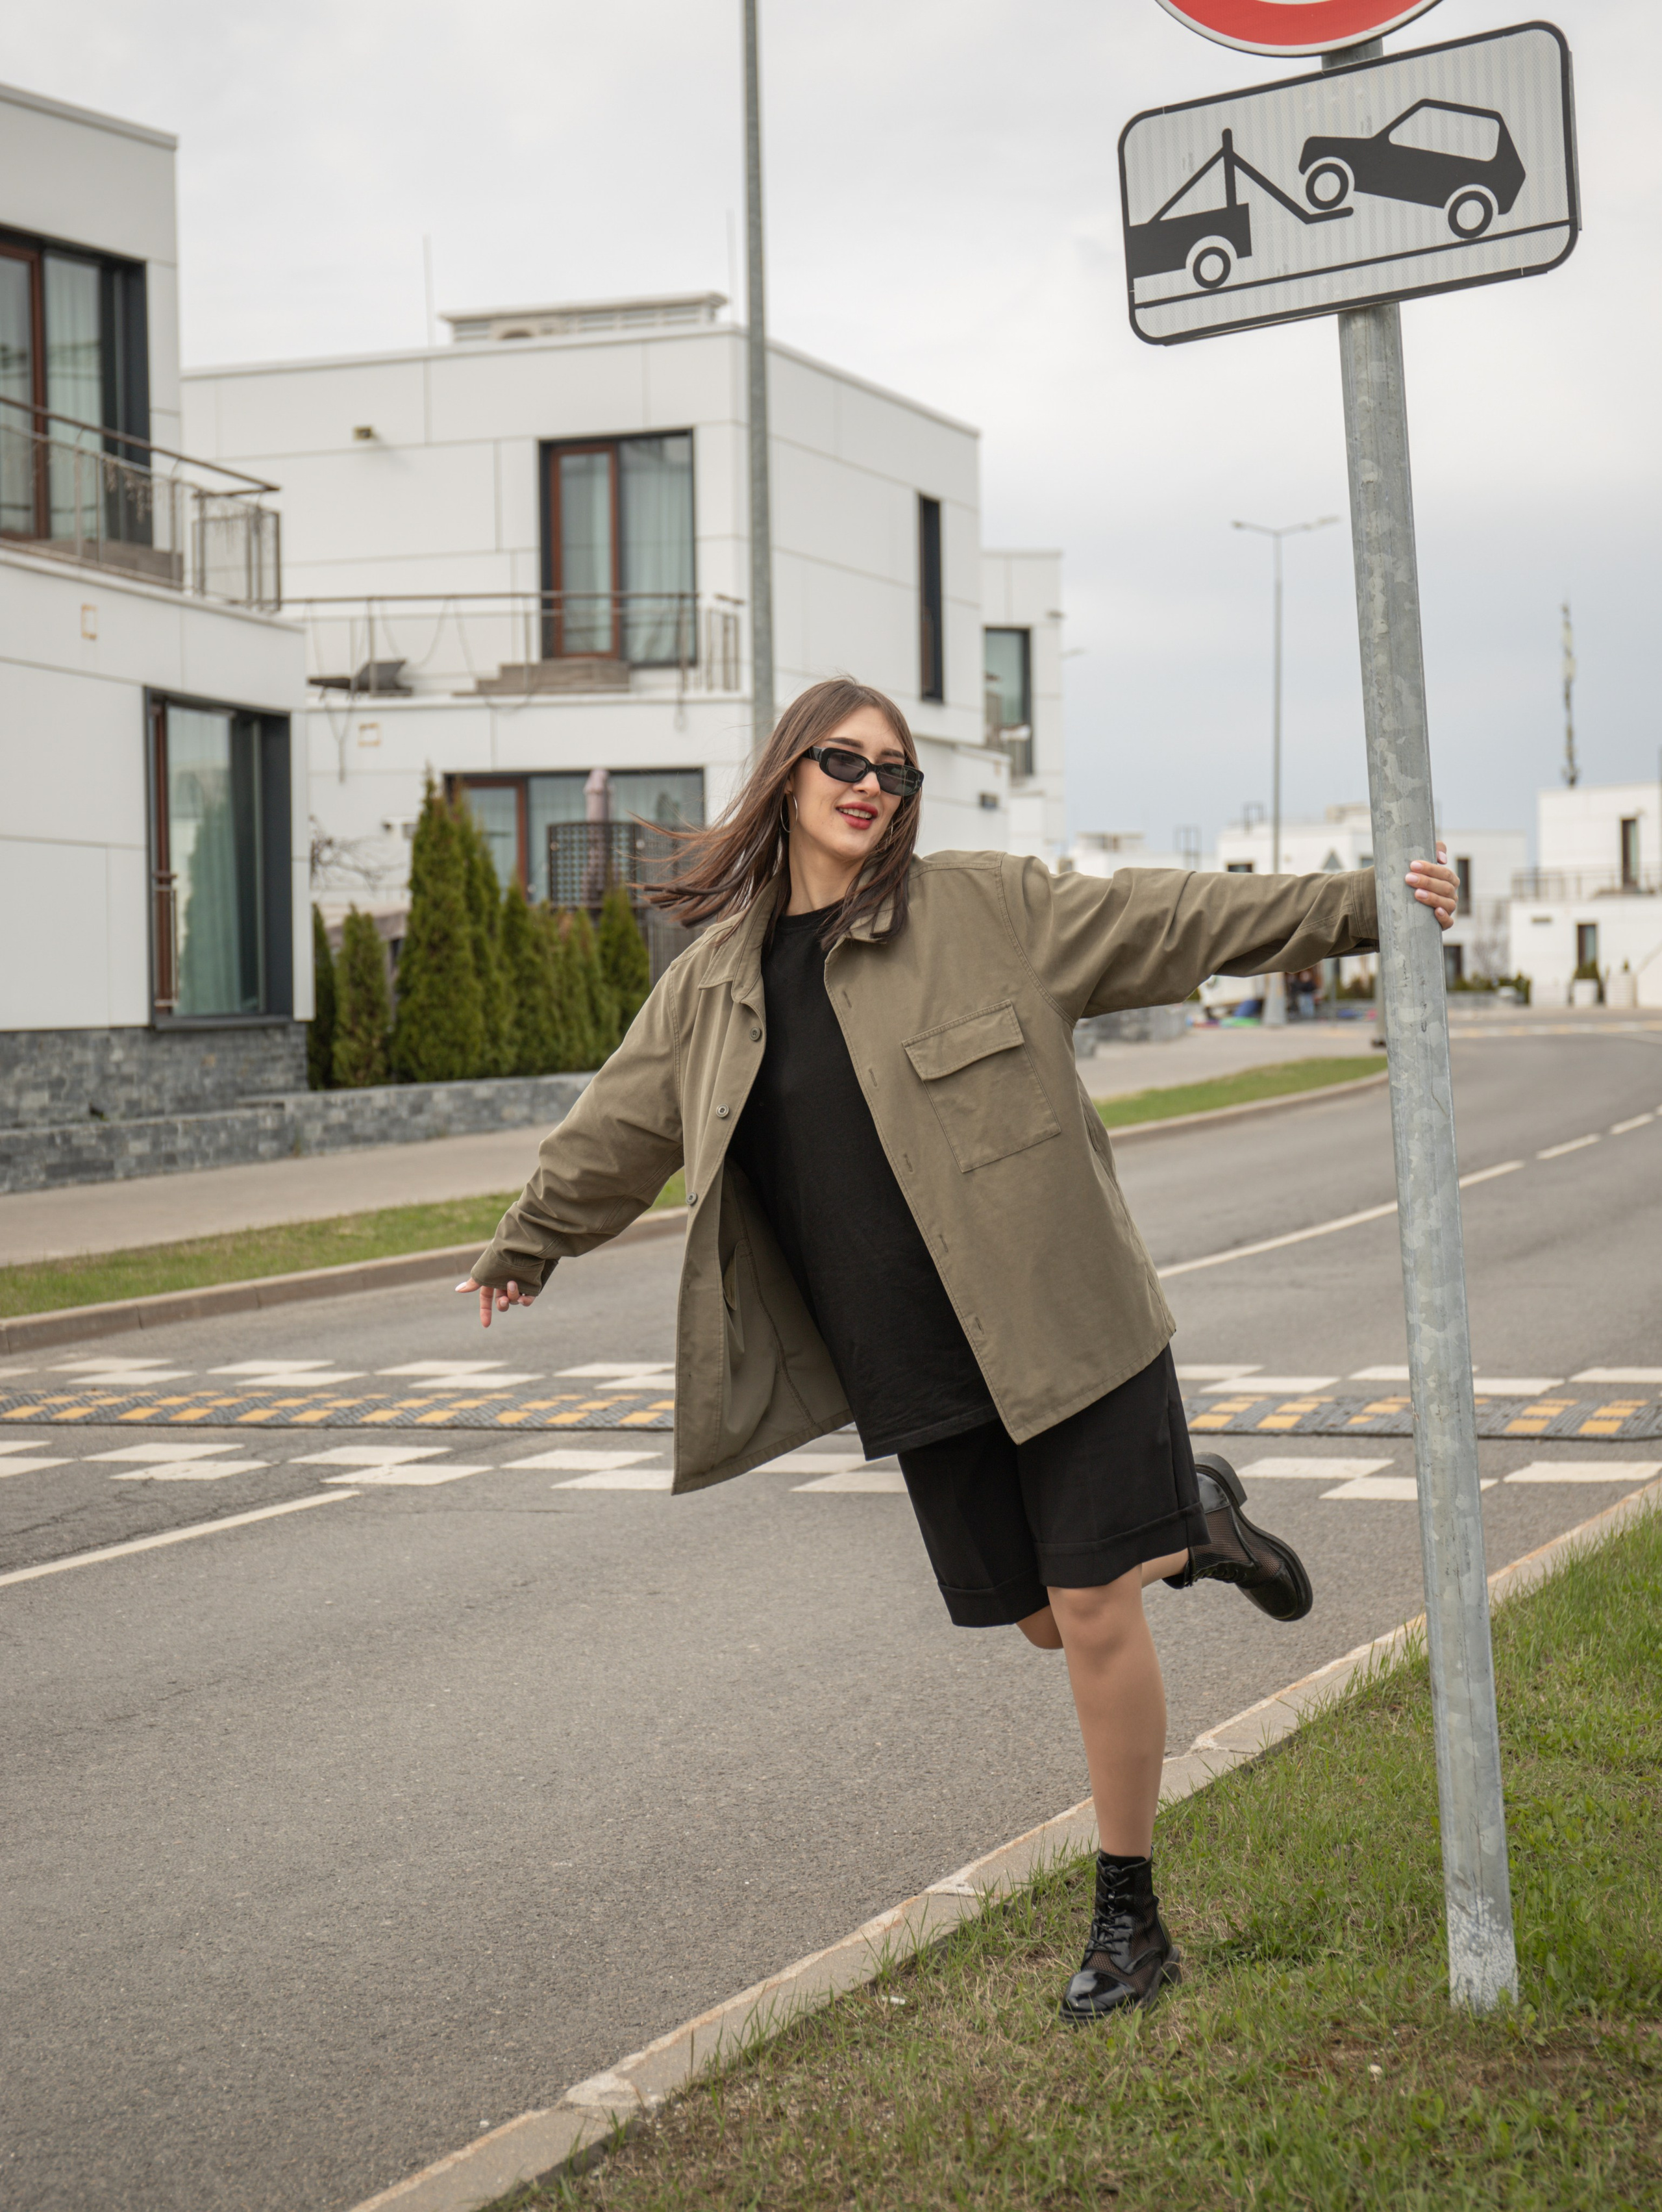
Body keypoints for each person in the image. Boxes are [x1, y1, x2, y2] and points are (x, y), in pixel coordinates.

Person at [458, 677, 1457, 2024]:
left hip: (1068, 1323)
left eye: (897, 771)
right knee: (1049, 1618)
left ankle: (1129, 1918)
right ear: (786, 775)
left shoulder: (986, 910)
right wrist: (529, 1241)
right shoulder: (712, 990)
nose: (871, 786)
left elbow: (1186, 918)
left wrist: (1368, 904)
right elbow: (619, 1128)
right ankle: (1197, 1525)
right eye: (843, 761)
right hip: (917, 1369)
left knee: (1093, 1608)